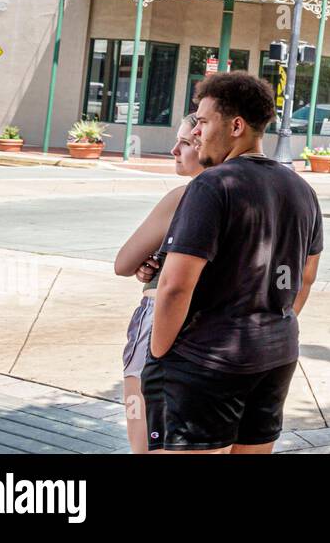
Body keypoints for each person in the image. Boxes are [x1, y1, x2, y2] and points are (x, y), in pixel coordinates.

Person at [141, 71, 322, 454]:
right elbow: (306, 277)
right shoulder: (301, 189)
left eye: (204, 122)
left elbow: (175, 286)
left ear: (235, 126)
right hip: (276, 354)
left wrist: (160, 355)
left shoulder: (212, 185)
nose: (197, 134)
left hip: (208, 358)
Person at [114, 113, 203, 454]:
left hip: (158, 319)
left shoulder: (183, 197)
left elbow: (123, 263)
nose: (174, 150)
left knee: (143, 429)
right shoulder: (240, 196)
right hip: (212, 331)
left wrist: (149, 262)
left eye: (184, 142)